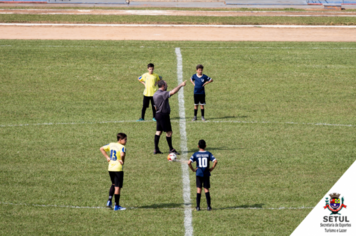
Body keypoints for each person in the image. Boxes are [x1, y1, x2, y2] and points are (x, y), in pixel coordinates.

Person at [153, 79, 186, 154]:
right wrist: (181, 85)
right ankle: (171, 149)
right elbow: (173, 92)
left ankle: (156, 149)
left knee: (158, 131)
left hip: (157, 114)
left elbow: (155, 107)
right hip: (163, 115)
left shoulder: (155, 94)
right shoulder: (163, 94)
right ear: (163, 86)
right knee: (169, 132)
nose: (167, 86)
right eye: (166, 85)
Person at [99, 133, 127, 211]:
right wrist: (122, 160)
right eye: (125, 139)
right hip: (118, 168)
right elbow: (122, 154)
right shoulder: (122, 147)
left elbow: (101, 148)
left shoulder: (111, 144)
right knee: (117, 186)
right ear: (120, 140)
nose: (126, 141)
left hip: (110, 167)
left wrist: (107, 157)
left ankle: (109, 201)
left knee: (113, 184)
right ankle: (117, 205)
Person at [188, 140, 218, 211]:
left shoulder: (195, 154)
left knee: (199, 189)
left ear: (198, 146)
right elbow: (215, 161)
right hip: (206, 173)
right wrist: (212, 168)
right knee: (206, 189)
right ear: (205, 146)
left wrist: (193, 169)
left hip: (198, 173)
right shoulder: (208, 153)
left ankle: (198, 207)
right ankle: (208, 206)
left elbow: (189, 162)